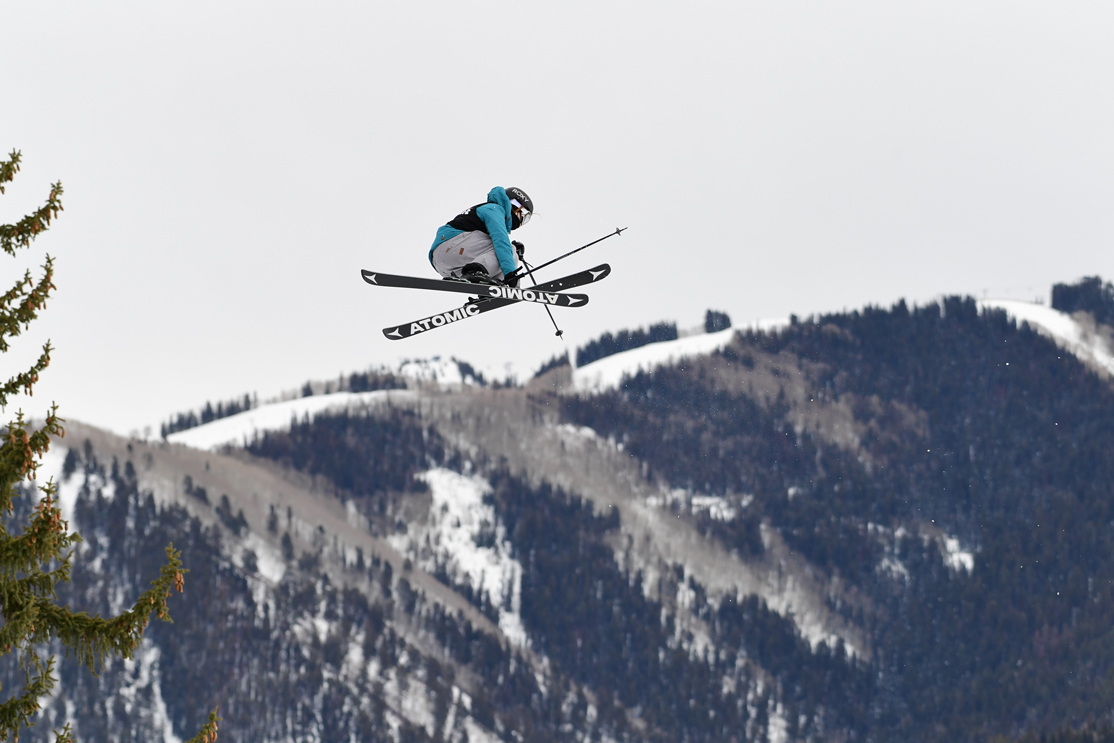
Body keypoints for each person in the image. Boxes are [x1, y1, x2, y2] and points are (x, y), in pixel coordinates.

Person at [429, 186, 533, 286]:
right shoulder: (494, 209)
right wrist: (511, 273)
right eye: (524, 214)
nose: (521, 221)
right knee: (507, 249)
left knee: (506, 255)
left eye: (526, 219)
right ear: (514, 206)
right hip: (452, 247)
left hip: (447, 264)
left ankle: (494, 288)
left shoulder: (488, 210)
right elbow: (501, 241)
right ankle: (476, 272)